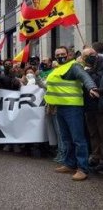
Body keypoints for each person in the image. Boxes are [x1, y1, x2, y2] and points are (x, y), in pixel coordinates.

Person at [44, 46, 99, 181]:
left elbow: (84, 76)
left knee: (78, 139)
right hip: (61, 107)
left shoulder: (73, 66)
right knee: (66, 138)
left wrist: (91, 87)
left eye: (63, 54)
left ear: (68, 55)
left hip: (73, 108)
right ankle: (69, 164)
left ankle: (82, 168)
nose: (60, 56)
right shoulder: (58, 69)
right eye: (58, 55)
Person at [81, 48, 103, 171]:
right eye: (87, 56)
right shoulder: (86, 67)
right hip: (89, 106)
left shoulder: (100, 65)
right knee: (93, 133)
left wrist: (88, 72)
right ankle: (96, 157)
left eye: (91, 54)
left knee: (101, 133)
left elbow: (97, 80)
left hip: (100, 106)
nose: (90, 57)